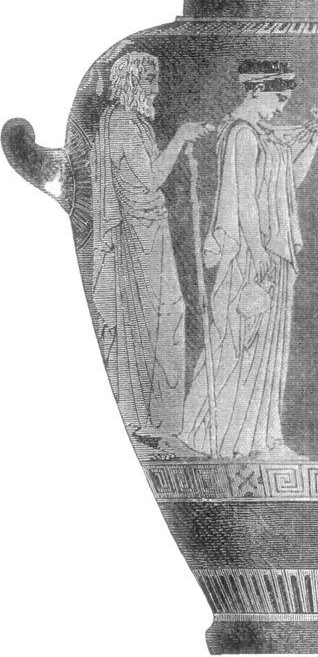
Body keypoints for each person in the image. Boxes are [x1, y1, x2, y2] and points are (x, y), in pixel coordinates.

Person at [179, 60, 318, 460]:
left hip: (272, 252)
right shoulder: (241, 134)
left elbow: (287, 187)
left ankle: (263, 439)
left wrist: (309, 145)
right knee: (237, 343)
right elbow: (243, 201)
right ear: (257, 90)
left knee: (268, 350)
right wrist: (258, 254)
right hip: (249, 254)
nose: (282, 107)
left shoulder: (265, 136)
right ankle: (221, 438)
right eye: (279, 97)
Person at [91, 51, 211, 441]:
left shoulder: (133, 122)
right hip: (137, 242)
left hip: (150, 234)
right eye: (150, 81)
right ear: (132, 84)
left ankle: (159, 420)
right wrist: (180, 137)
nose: (157, 89)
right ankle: (146, 421)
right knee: (153, 323)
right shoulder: (122, 125)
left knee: (164, 320)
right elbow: (149, 180)